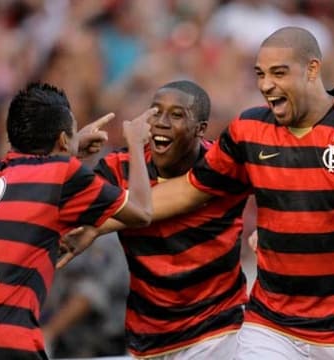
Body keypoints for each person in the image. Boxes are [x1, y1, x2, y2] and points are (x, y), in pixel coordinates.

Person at [122, 26, 334, 360]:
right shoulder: (248, 129)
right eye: (260, 74)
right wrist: (104, 218)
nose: (266, 84)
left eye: (278, 73)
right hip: (272, 326)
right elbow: (187, 191)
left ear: (312, 69)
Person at [61, 80, 250, 359]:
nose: (161, 122)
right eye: (155, 112)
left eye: (176, 115)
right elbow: (56, 205)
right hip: (148, 338)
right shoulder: (118, 168)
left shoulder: (221, 166)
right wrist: (69, 153)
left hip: (217, 330)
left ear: (200, 129)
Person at [0, 82, 154, 359]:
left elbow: (27, 170)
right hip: (7, 346)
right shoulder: (61, 174)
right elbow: (142, 211)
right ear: (62, 140)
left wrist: (68, 146)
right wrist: (135, 143)